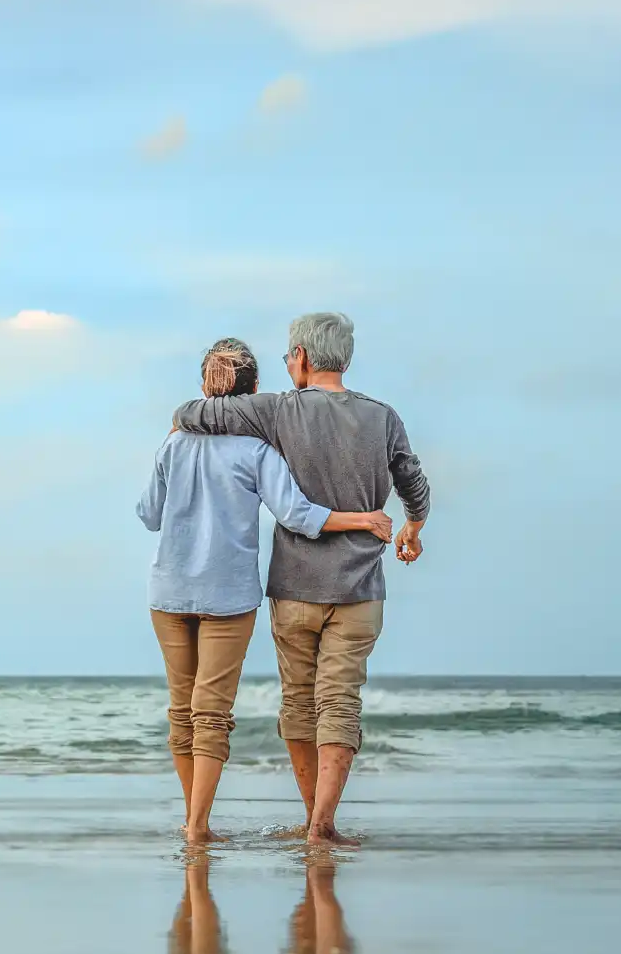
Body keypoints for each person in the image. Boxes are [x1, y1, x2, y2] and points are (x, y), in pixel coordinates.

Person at [172, 312, 429, 843]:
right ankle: (323, 824)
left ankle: (312, 814)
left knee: (299, 701)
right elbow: (414, 481)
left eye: (290, 355)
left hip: (294, 588)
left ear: (304, 358)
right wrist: (412, 529)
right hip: (361, 589)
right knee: (340, 701)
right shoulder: (383, 417)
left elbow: (194, 413)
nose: (290, 363)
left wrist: (186, 420)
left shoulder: (278, 411)